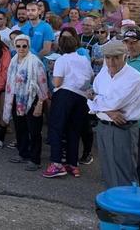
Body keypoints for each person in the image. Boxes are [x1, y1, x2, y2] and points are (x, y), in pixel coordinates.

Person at [88, 39, 140, 188]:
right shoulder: (103, 73)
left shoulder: (135, 78)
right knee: (107, 169)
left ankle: (125, 209)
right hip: (104, 125)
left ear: (125, 56)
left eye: (116, 57)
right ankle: (111, 206)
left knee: (124, 172)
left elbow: (113, 103)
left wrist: (96, 100)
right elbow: (90, 98)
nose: (111, 62)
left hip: (122, 128)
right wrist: (108, 110)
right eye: (108, 57)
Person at [42, 33, 94, 178]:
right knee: (74, 130)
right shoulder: (84, 59)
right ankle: (73, 164)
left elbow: (57, 82)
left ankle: (57, 164)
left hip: (65, 94)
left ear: (61, 47)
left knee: (56, 129)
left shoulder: (62, 60)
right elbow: (90, 76)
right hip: (81, 97)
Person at [3, 34, 49, 171]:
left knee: (34, 130)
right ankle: (23, 153)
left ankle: (35, 159)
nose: (21, 48)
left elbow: (43, 84)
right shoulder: (13, 60)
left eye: (24, 46)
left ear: (29, 46)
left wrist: (40, 104)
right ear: (15, 46)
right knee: (20, 128)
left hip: (32, 98)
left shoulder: (35, 62)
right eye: (18, 46)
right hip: (17, 98)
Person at [122, 28, 140, 185]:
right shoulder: (123, 61)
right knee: (127, 155)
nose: (130, 46)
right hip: (124, 117)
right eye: (127, 42)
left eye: (134, 43)